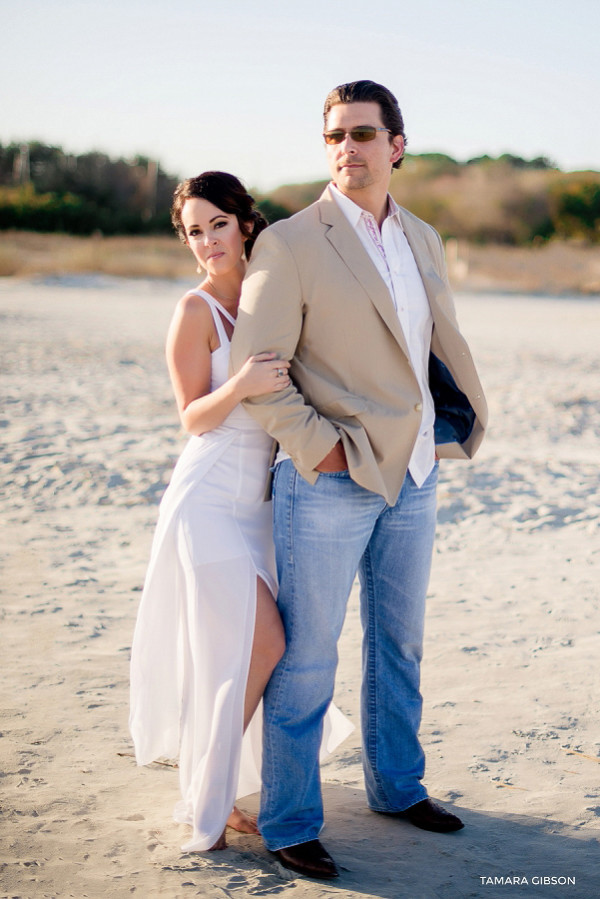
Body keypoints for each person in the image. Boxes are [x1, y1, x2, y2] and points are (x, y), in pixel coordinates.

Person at [230, 80, 488, 878]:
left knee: (399, 640)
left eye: (365, 134)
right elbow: (258, 370)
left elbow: (429, 344)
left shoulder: (424, 236)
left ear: (397, 146)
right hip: (333, 477)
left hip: (415, 473)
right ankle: (289, 818)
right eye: (336, 135)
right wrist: (323, 450)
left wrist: (444, 428)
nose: (349, 147)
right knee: (309, 656)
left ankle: (397, 785)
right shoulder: (293, 242)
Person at [129, 171, 290, 852]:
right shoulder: (195, 312)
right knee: (264, 644)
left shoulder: (271, 294)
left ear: (245, 223)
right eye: (194, 231)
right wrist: (246, 383)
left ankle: (213, 787)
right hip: (207, 499)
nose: (207, 241)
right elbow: (192, 416)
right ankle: (207, 796)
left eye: (217, 224)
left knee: (233, 655)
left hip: (259, 504)